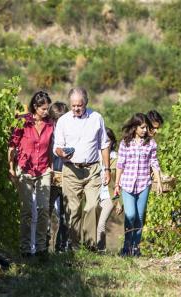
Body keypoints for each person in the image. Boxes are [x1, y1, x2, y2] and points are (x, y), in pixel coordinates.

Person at [53, 87, 110, 250]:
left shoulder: (96, 118)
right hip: (71, 170)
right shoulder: (63, 121)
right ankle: (75, 246)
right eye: (73, 105)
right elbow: (56, 147)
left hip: (92, 169)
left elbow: (104, 145)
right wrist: (61, 152)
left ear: (86, 102)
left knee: (92, 206)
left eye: (80, 105)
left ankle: (91, 245)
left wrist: (107, 169)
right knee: (73, 209)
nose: (76, 108)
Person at [8, 91, 54, 258]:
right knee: (27, 210)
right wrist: (11, 168)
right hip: (24, 169)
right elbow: (12, 146)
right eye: (43, 109)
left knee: (43, 209)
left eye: (47, 108)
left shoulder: (50, 125)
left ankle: (41, 248)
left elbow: (49, 147)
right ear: (35, 107)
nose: (46, 112)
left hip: (43, 170)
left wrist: (50, 167)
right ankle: (26, 248)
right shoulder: (23, 122)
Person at [114, 113, 163, 257]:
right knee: (130, 215)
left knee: (140, 217)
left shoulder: (151, 144)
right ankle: (126, 247)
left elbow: (154, 163)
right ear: (135, 127)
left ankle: (136, 248)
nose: (144, 130)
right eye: (142, 127)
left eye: (146, 127)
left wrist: (159, 182)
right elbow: (120, 164)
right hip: (128, 184)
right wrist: (117, 184)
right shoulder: (125, 143)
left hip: (143, 184)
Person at [48, 102, 69, 253]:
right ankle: (43, 245)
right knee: (45, 212)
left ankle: (61, 247)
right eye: (56, 120)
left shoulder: (71, 135)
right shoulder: (48, 134)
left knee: (65, 214)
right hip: (50, 176)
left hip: (67, 176)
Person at [96, 127, 122, 252]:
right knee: (93, 223)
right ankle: (93, 248)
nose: (105, 142)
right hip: (95, 194)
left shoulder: (116, 159)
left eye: (108, 140)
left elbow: (118, 182)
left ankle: (101, 250)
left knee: (101, 223)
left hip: (109, 196)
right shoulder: (94, 156)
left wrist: (118, 201)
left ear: (112, 141)